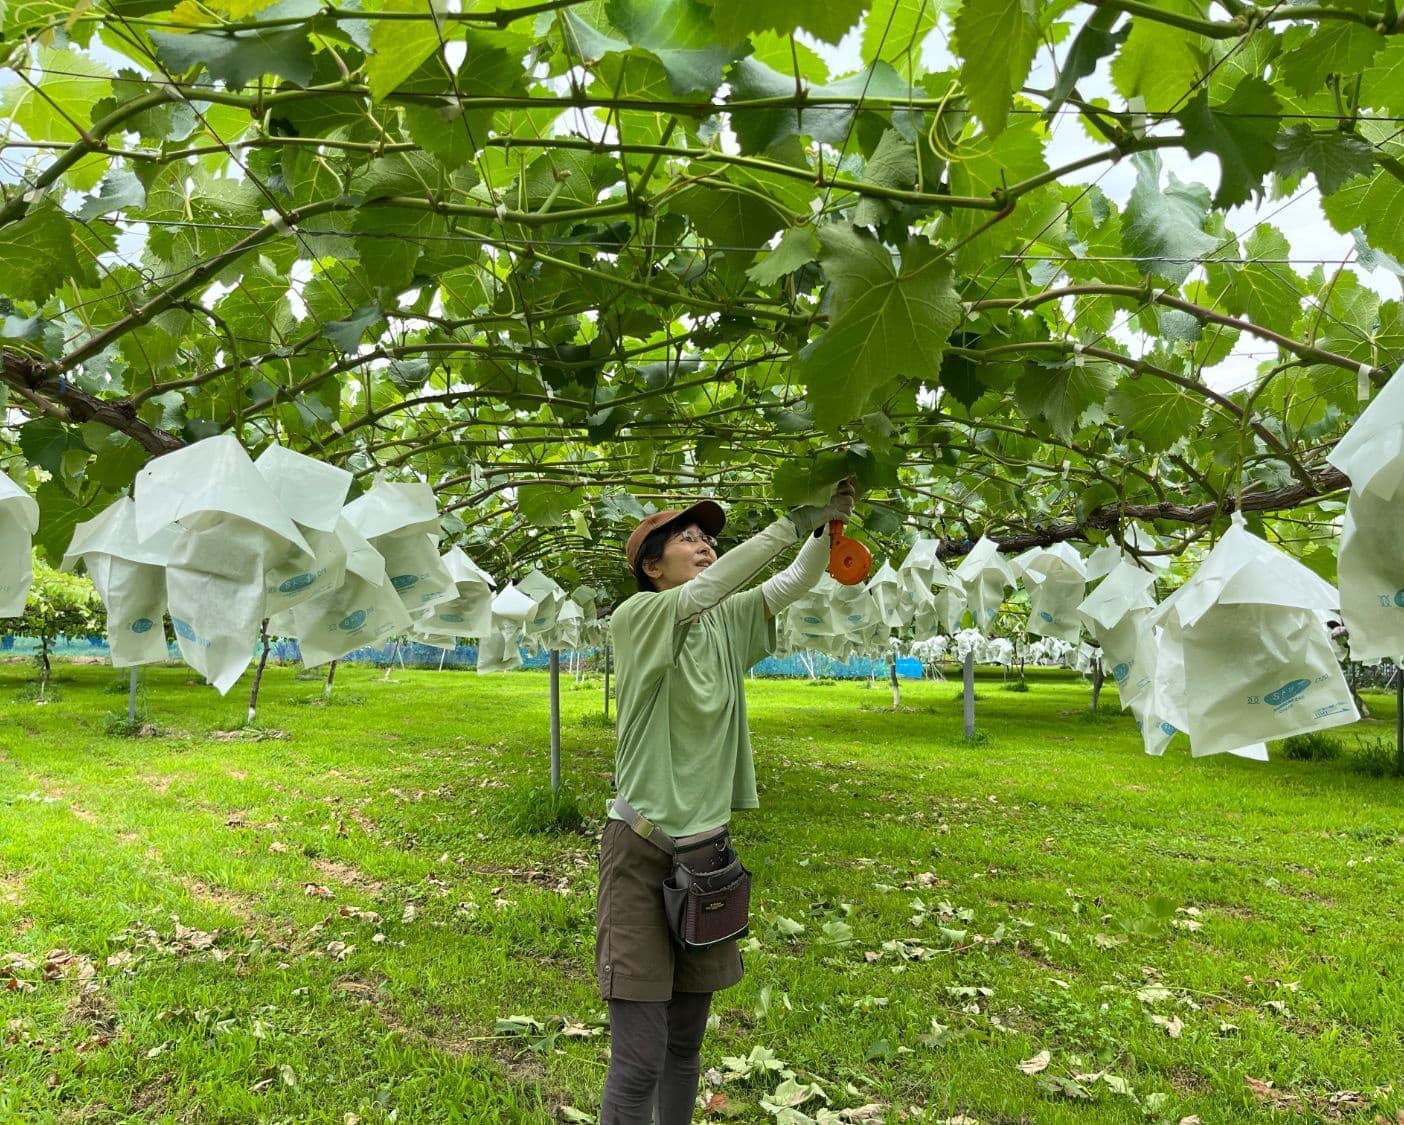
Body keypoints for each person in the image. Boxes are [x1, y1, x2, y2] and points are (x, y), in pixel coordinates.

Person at [597, 482, 859, 1124]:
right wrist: (791, 518)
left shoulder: (725, 621)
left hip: (707, 859)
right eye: (687, 537)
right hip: (641, 850)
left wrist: (826, 532)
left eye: (708, 536)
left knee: (686, 1046)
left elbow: (788, 584)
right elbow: (710, 590)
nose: (705, 544)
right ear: (651, 568)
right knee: (640, 1058)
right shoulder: (638, 618)